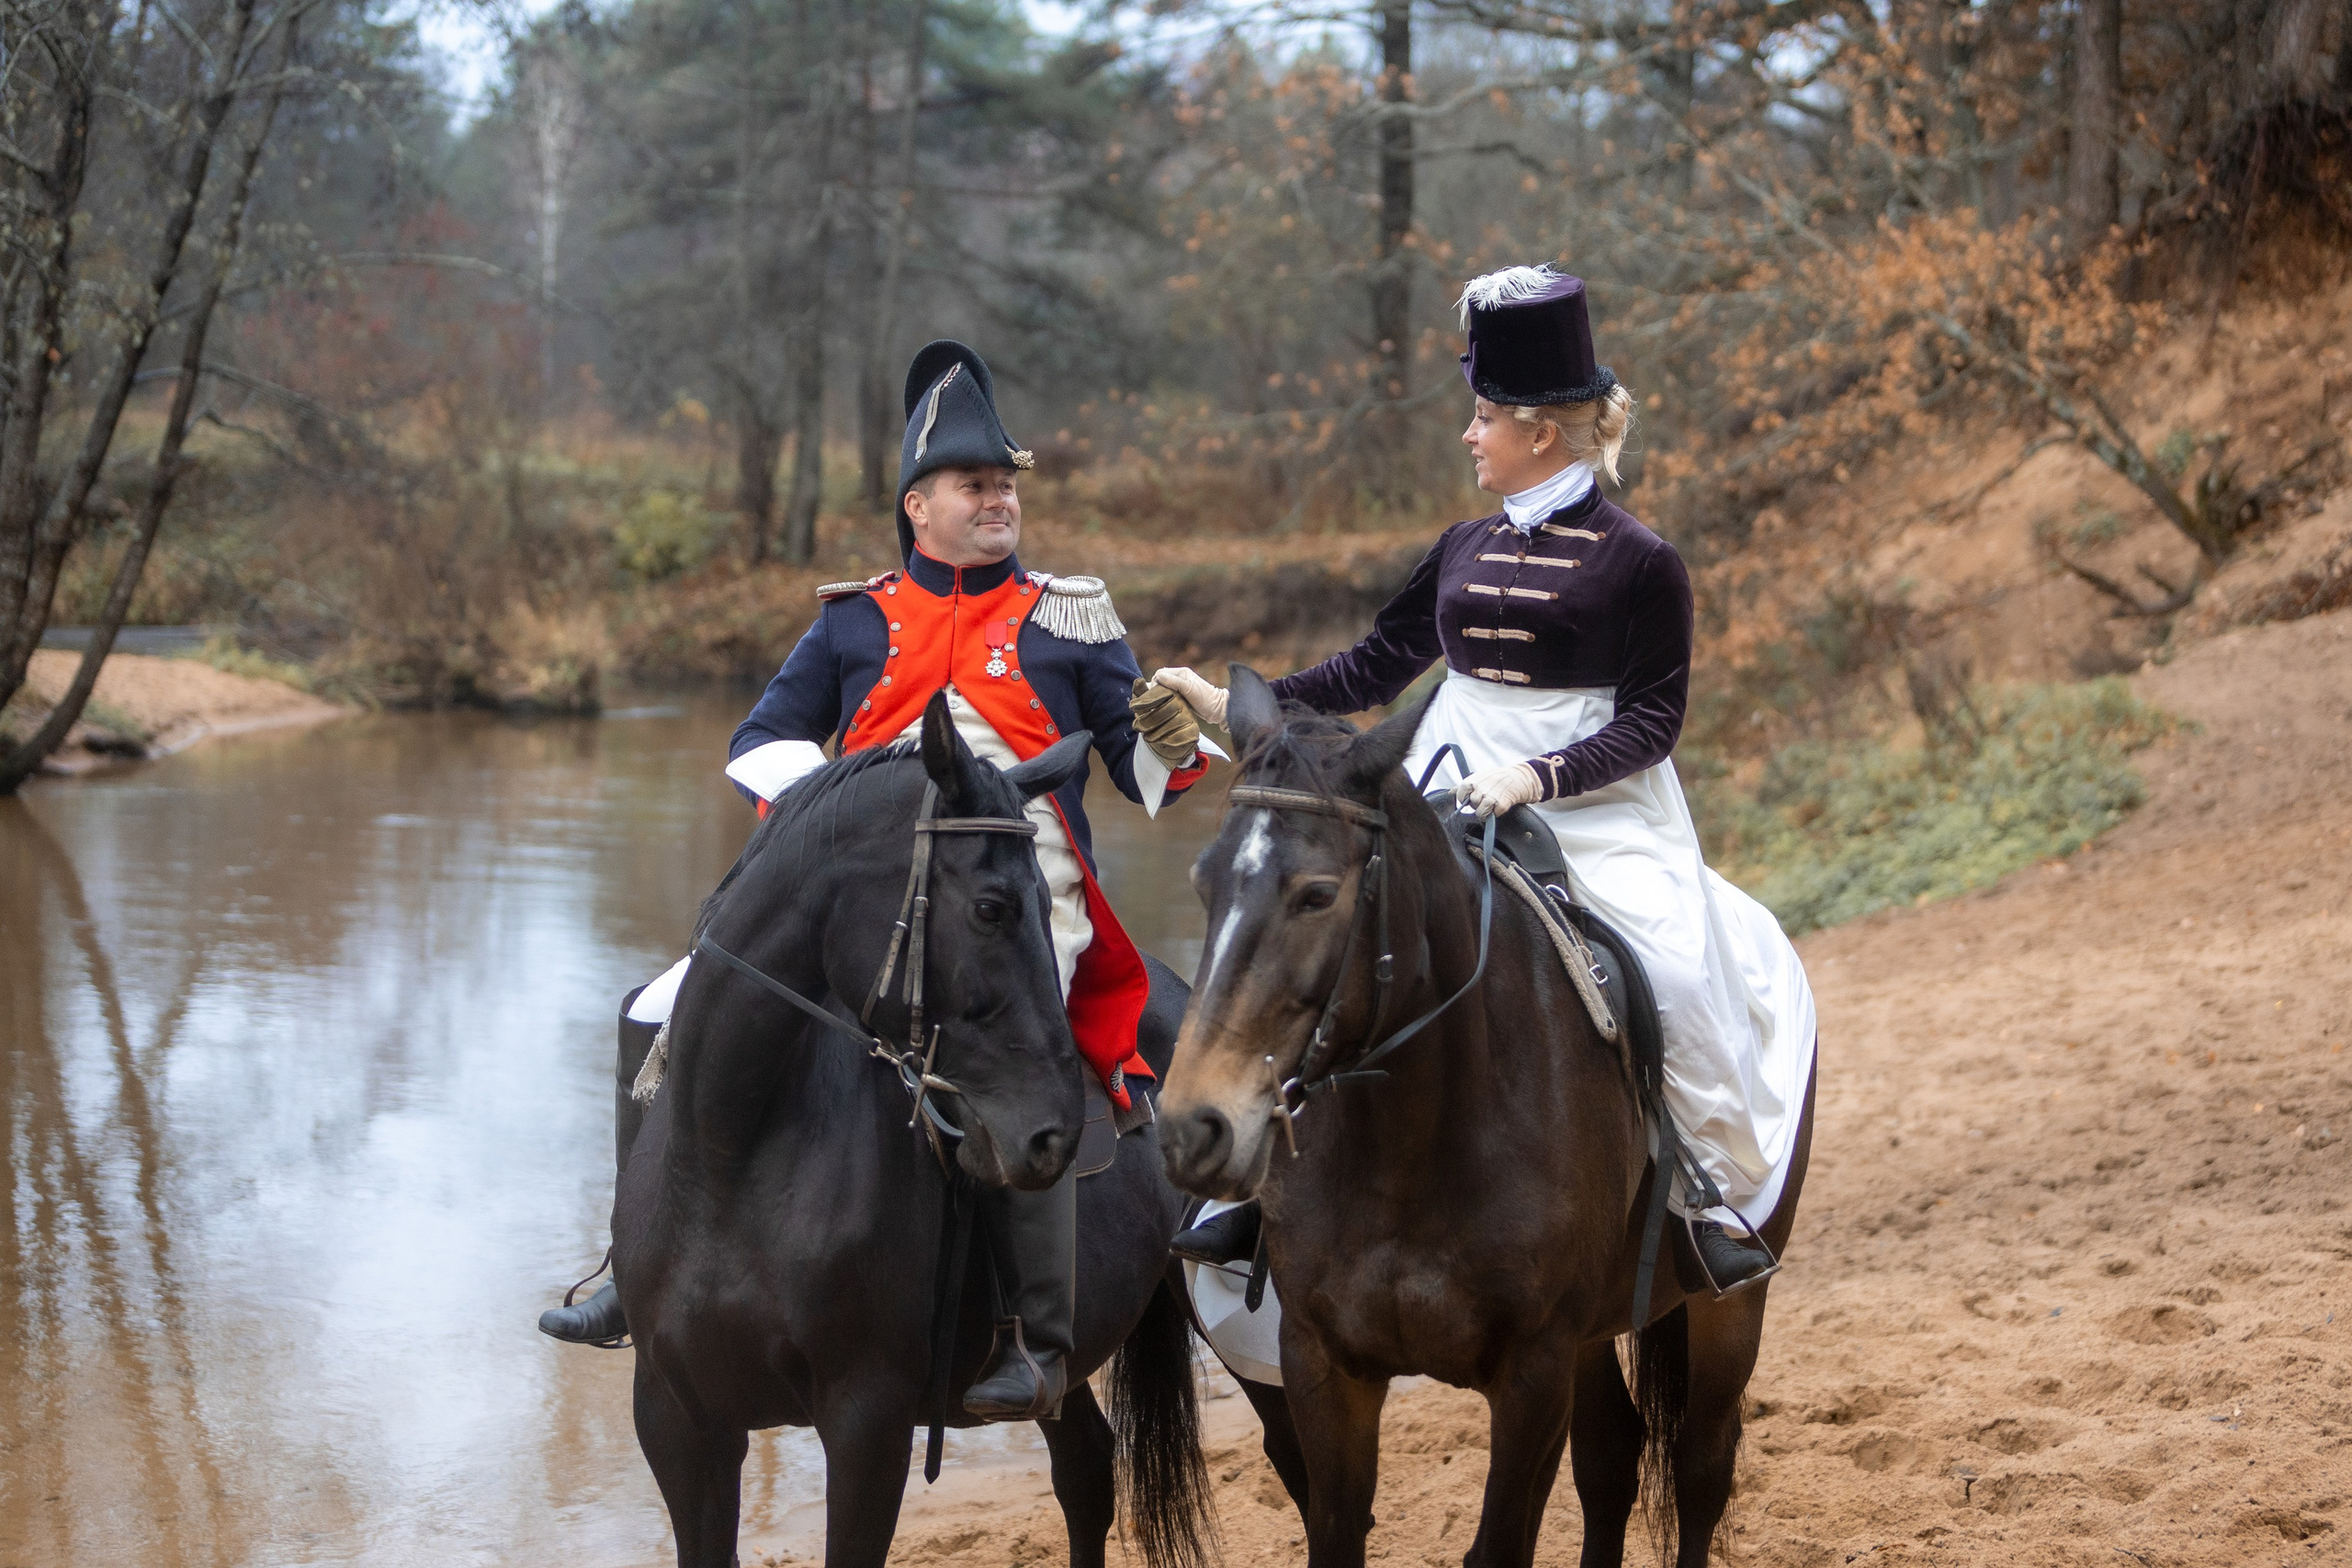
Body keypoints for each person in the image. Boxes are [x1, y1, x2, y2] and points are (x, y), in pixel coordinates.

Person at [540, 340, 1216, 1421]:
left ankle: (1035, 1339)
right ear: (918, 507)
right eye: (974, 486)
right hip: (855, 897)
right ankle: (635, 1269)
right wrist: (826, 834)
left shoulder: (1068, 618)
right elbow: (760, 742)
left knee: (1018, 1050)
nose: (998, 501)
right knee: (657, 1004)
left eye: (1005, 486)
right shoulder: (855, 621)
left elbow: (1146, 779)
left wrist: (1175, 741)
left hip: (1021, 899)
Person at [1154, 267, 1815, 1297]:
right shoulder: (1461, 545)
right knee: (1326, 947)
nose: (1468, 436)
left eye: (1481, 419)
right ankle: (1251, 1196)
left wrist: (1537, 776)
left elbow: (1652, 722)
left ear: (1539, 433)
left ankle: (1701, 1199)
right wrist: (1234, 702)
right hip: (1440, 767)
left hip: (1594, 802)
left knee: (1681, 975)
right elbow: (1373, 668)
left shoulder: (1642, 561)